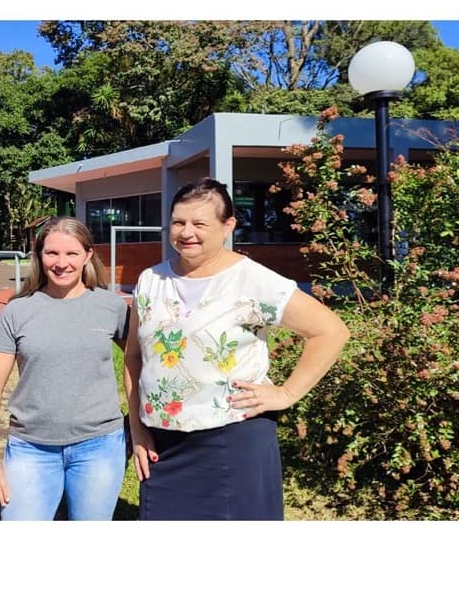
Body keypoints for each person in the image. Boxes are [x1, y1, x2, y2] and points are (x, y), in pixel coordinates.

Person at [123, 177, 350, 520]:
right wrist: (139, 430)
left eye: (200, 224)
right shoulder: (151, 280)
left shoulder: (252, 280)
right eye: (178, 222)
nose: (187, 232)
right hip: (163, 445)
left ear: (227, 226)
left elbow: (330, 331)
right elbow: (134, 356)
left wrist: (287, 393)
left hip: (233, 439)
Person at [0, 217, 129, 520]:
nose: (61, 263)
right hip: (30, 448)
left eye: (71, 253)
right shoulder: (17, 311)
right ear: (39, 255)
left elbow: (139, 363)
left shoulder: (111, 307)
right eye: (52, 253)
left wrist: (138, 427)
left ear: (87, 255)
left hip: (99, 447)